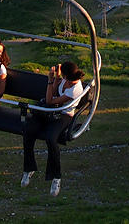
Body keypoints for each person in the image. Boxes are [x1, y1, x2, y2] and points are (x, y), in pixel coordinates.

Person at [20, 60, 85, 196]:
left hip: (64, 115)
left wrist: (50, 80)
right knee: (28, 131)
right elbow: (51, 96)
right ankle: (29, 168)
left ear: (66, 76)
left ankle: (56, 177)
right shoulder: (64, 79)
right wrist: (56, 78)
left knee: (51, 138)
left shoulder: (75, 90)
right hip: (51, 111)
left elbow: (50, 100)